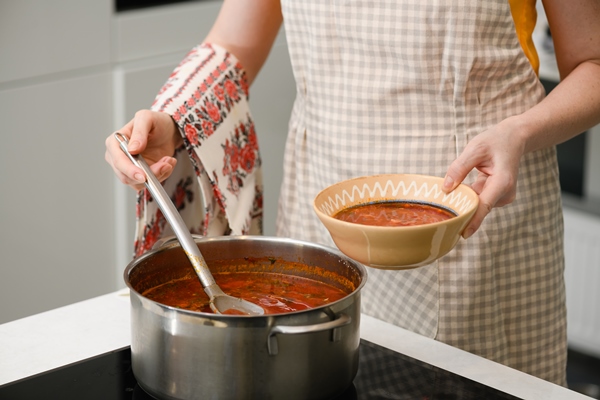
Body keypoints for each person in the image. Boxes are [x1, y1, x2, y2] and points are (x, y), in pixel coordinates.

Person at [105, 0, 600, 385]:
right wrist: (173, 119)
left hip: (476, 222)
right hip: (319, 226)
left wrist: (520, 132)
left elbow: (593, 63)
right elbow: (235, 44)